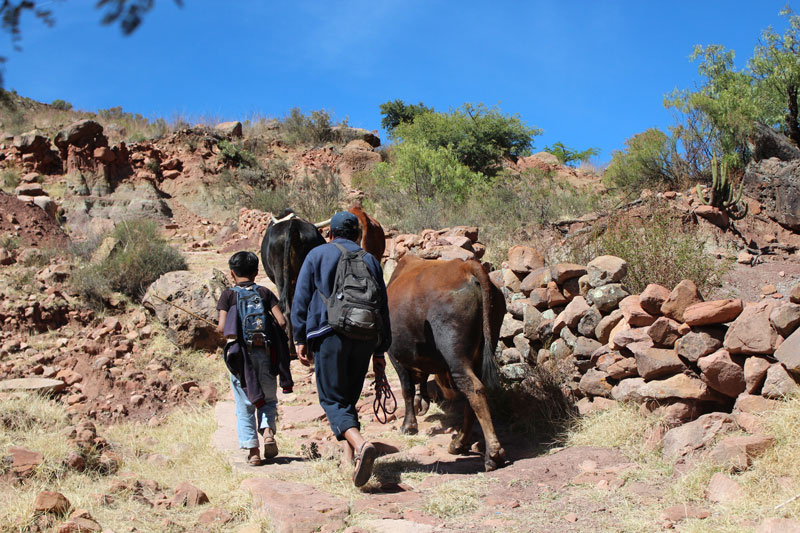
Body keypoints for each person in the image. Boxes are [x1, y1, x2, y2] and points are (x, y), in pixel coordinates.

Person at [291, 211, 391, 487]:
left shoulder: (317, 255)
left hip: (329, 334)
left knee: (332, 400)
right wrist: (381, 351)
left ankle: (360, 445)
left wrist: (299, 337)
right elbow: (383, 307)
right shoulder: (370, 259)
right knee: (347, 398)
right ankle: (349, 462)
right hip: (365, 336)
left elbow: (300, 299)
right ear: (358, 235)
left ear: (330, 233)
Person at [217, 251, 287, 465]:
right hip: (265, 354)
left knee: (244, 403)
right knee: (268, 398)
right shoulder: (265, 292)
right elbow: (282, 322)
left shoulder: (228, 295)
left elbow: (222, 328)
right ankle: (267, 432)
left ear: (232, 273)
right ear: (257, 271)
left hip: (240, 358)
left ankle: (253, 451)